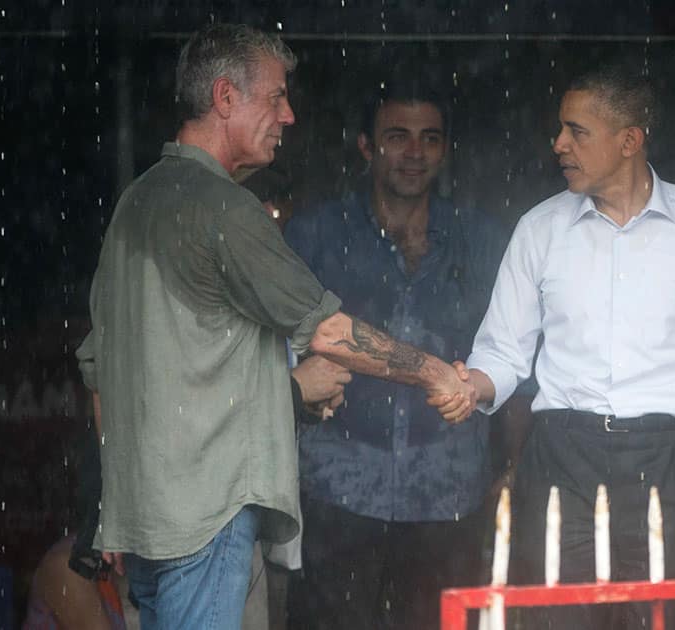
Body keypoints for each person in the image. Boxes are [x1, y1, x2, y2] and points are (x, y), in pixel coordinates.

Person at [75, 24, 475, 630]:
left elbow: (101, 370)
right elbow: (331, 333)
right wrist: (436, 373)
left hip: (148, 519)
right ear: (225, 98)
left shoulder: (137, 201)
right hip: (207, 516)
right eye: (275, 97)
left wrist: (117, 499)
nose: (287, 115)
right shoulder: (222, 207)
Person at [461, 60, 675, 629]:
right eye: (560, 129)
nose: (559, 145)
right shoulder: (539, 228)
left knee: (668, 620)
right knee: (562, 621)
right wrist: (469, 386)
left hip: (674, 454)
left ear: (630, 140)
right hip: (562, 455)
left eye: (577, 130)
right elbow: (503, 351)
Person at [283, 75, 529, 630]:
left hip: (449, 493)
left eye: (430, 138)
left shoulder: (483, 240)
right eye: (397, 136)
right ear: (367, 146)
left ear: (446, 150)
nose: (414, 153)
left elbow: (517, 354)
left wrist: (513, 465)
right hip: (336, 491)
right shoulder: (316, 235)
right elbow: (269, 347)